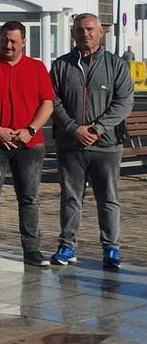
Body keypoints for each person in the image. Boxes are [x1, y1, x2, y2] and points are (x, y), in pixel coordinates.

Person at [50, 13, 135, 269]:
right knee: (70, 197)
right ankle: (67, 246)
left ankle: (111, 249)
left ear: (101, 33)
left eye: (89, 29)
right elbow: (52, 100)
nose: (84, 34)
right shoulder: (61, 65)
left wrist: (97, 128)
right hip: (71, 144)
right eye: (79, 30)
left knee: (108, 199)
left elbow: (124, 102)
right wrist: (73, 128)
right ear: (73, 34)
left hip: (107, 145)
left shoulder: (116, 65)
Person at [0, 20, 55, 268]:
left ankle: (32, 250)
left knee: (29, 199)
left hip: (29, 145)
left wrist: (30, 130)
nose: (8, 45)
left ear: (24, 42)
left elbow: (47, 103)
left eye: (13, 41)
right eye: (4, 40)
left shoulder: (37, 68)